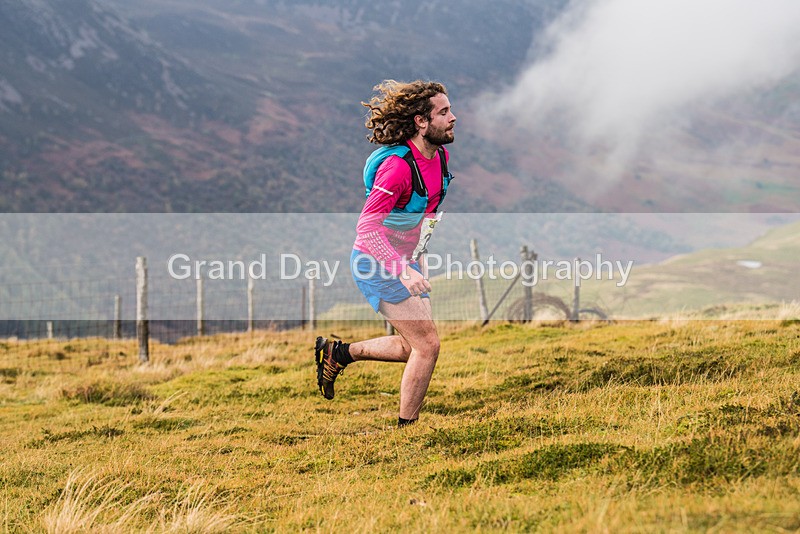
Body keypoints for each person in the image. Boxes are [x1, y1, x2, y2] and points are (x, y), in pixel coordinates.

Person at [315, 80, 456, 428]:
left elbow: (424, 217)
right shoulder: (396, 168)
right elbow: (367, 227)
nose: (454, 118)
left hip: (406, 261)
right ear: (421, 122)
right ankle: (407, 431)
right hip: (374, 263)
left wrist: (418, 260)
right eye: (444, 112)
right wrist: (402, 269)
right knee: (428, 346)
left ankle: (339, 353)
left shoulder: (439, 156)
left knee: (413, 347)